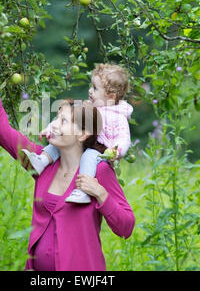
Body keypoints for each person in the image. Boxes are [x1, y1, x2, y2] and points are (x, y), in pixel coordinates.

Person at [0, 43, 135, 271]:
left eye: (63, 121)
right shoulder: (42, 163)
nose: (54, 126)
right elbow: (0, 130)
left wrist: (100, 193)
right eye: (56, 119)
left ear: (82, 134)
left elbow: (126, 227)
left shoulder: (98, 171)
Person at [22, 63, 133, 203]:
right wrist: (50, 129)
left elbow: (124, 139)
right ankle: (42, 161)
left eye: (95, 88)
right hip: (84, 143)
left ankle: (82, 191)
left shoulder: (118, 116)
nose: (90, 91)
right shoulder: (90, 105)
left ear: (110, 96)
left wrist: (117, 151)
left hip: (100, 151)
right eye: (91, 86)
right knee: (63, 140)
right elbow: (66, 118)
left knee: (88, 156)